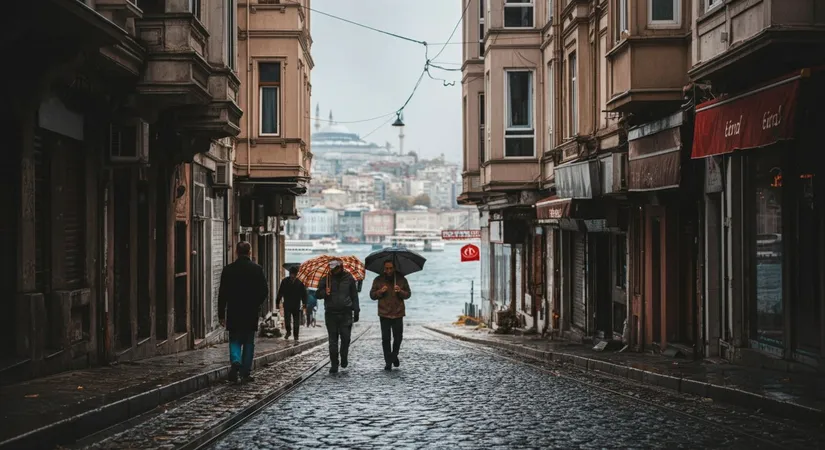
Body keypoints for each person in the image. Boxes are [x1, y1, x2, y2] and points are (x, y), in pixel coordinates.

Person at [218, 241, 269, 383]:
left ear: (236, 252)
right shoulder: (257, 269)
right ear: (250, 252)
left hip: (234, 311)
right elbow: (264, 291)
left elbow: (222, 293)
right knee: (248, 343)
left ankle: (235, 361)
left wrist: (221, 314)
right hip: (250, 312)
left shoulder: (228, 269)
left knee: (234, 339)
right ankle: (245, 372)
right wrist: (256, 303)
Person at [316, 259, 360, 373]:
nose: (334, 271)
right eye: (332, 269)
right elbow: (317, 294)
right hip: (331, 313)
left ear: (341, 267)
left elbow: (354, 295)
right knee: (333, 341)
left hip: (346, 313)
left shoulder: (349, 278)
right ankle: (334, 364)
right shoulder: (326, 279)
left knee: (346, 339)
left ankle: (344, 356)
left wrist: (356, 311)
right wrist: (325, 292)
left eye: (336, 268)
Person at [369, 260, 411, 371]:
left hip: (398, 313)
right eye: (386, 268)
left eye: (390, 268)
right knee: (386, 339)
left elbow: (408, 294)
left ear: (394, 268)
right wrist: (380, 291)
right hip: (384, 313)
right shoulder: (378, 280)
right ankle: (388, 362)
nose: (388, 270)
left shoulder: (401, 279)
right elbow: (372, 295)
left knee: (398, 338)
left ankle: (394, 355)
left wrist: (400, 291)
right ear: (384, 268)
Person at [276, 266, 307, 341]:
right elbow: (280, 292)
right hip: (287, 304)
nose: (292, 276)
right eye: (291, 274)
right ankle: (288, 331)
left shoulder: (300, 282)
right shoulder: (284, 281)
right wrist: (277, 302)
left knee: (296, 321)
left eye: (294, 274)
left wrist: (304, 304)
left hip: (296, 304)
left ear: (296, 274)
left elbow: (304, 294)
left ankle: (296, 335)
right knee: (287, 320)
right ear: (289, 274)